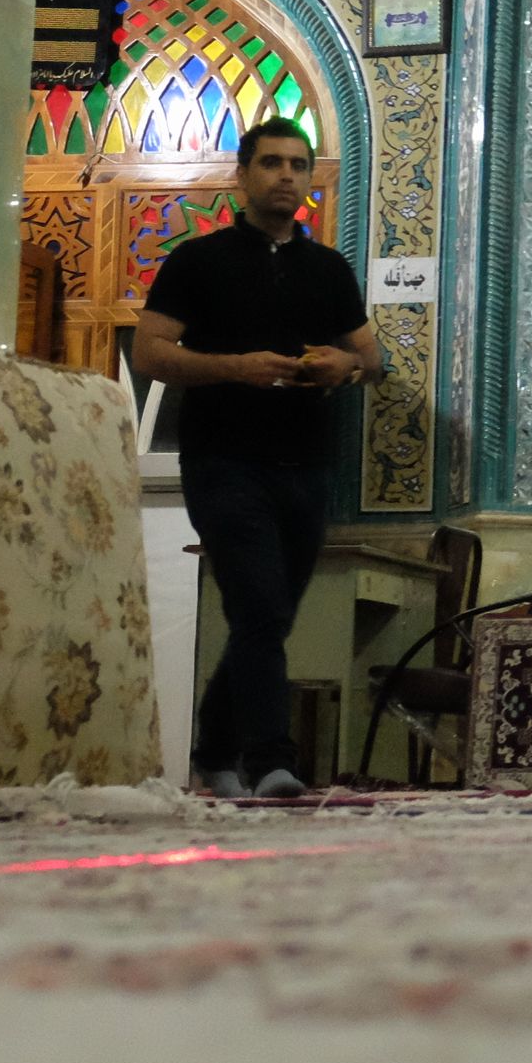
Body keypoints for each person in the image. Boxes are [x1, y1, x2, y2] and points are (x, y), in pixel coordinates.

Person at [133, 117, 383, 800]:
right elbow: (149, 353)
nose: (286, 177)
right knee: (259, 608)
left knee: (265, 616)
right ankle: (269, 760)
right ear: (242, 175)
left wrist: (346, 367)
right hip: (224, 462)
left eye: (298, 165)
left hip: (305, 467)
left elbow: (372, 356)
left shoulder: (328, 269)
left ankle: (212, 749)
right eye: (271, 163)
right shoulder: (199, 261)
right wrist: (234, 367)